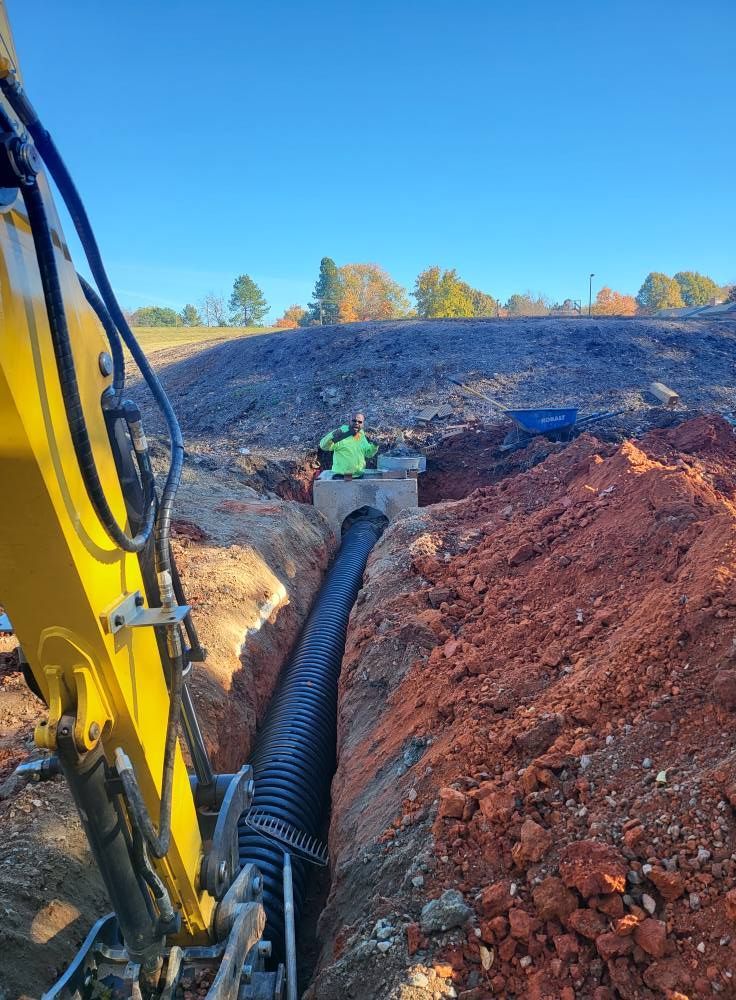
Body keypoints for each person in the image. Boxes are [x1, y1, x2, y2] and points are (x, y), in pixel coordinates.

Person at [319, 412, 378, 477]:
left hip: (358, 475)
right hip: (344, 476)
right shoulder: (341, 433)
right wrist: (332, 435)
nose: (357, 423)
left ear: (363, 424)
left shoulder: (361, 435)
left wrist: (375, 445)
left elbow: (368, 453)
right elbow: (323, 446)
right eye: (354, 420)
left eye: (360, 422)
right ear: (349, 421)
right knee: (348, 486)